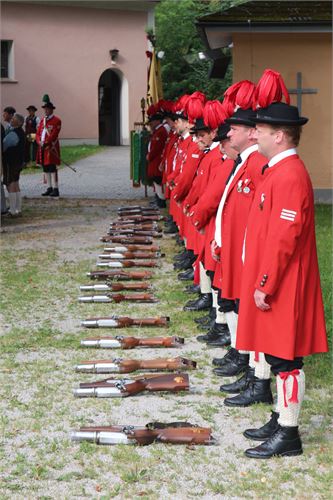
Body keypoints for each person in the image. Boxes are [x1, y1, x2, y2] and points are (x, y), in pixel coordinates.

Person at [236, 101, 328, 458]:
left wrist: (265, 281)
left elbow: (284, 236)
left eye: (260, 128)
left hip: (284, 282)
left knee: (286, 359)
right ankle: (280, 417)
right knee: (277, 355)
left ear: (279, 136)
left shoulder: (289, 173)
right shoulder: (278, 170)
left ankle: (289, 433)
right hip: (278, 279)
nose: (253, 132)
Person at [36, 101, 61, 197]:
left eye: (47, 109)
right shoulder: (42, 120)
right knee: (45, 167)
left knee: (52, 168)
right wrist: (39, 142)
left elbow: (54, 134)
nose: (45, 110)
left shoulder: (57, 120)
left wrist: (45, 142)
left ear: (51, 110)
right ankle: (49, 187)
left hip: (51, 147)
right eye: (44, 109)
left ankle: (56, 188)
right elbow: (38, 133)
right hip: (42, 147)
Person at [3, 113, 25, 216]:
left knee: (11, 183)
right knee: (16, 183)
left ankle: (12, 211)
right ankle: (18, 209)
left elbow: (4, 145)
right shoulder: (21, 132)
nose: (12, 119)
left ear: (19, 122)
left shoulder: (13, 134)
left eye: (14, 119)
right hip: (18, 161)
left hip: (11, 162)